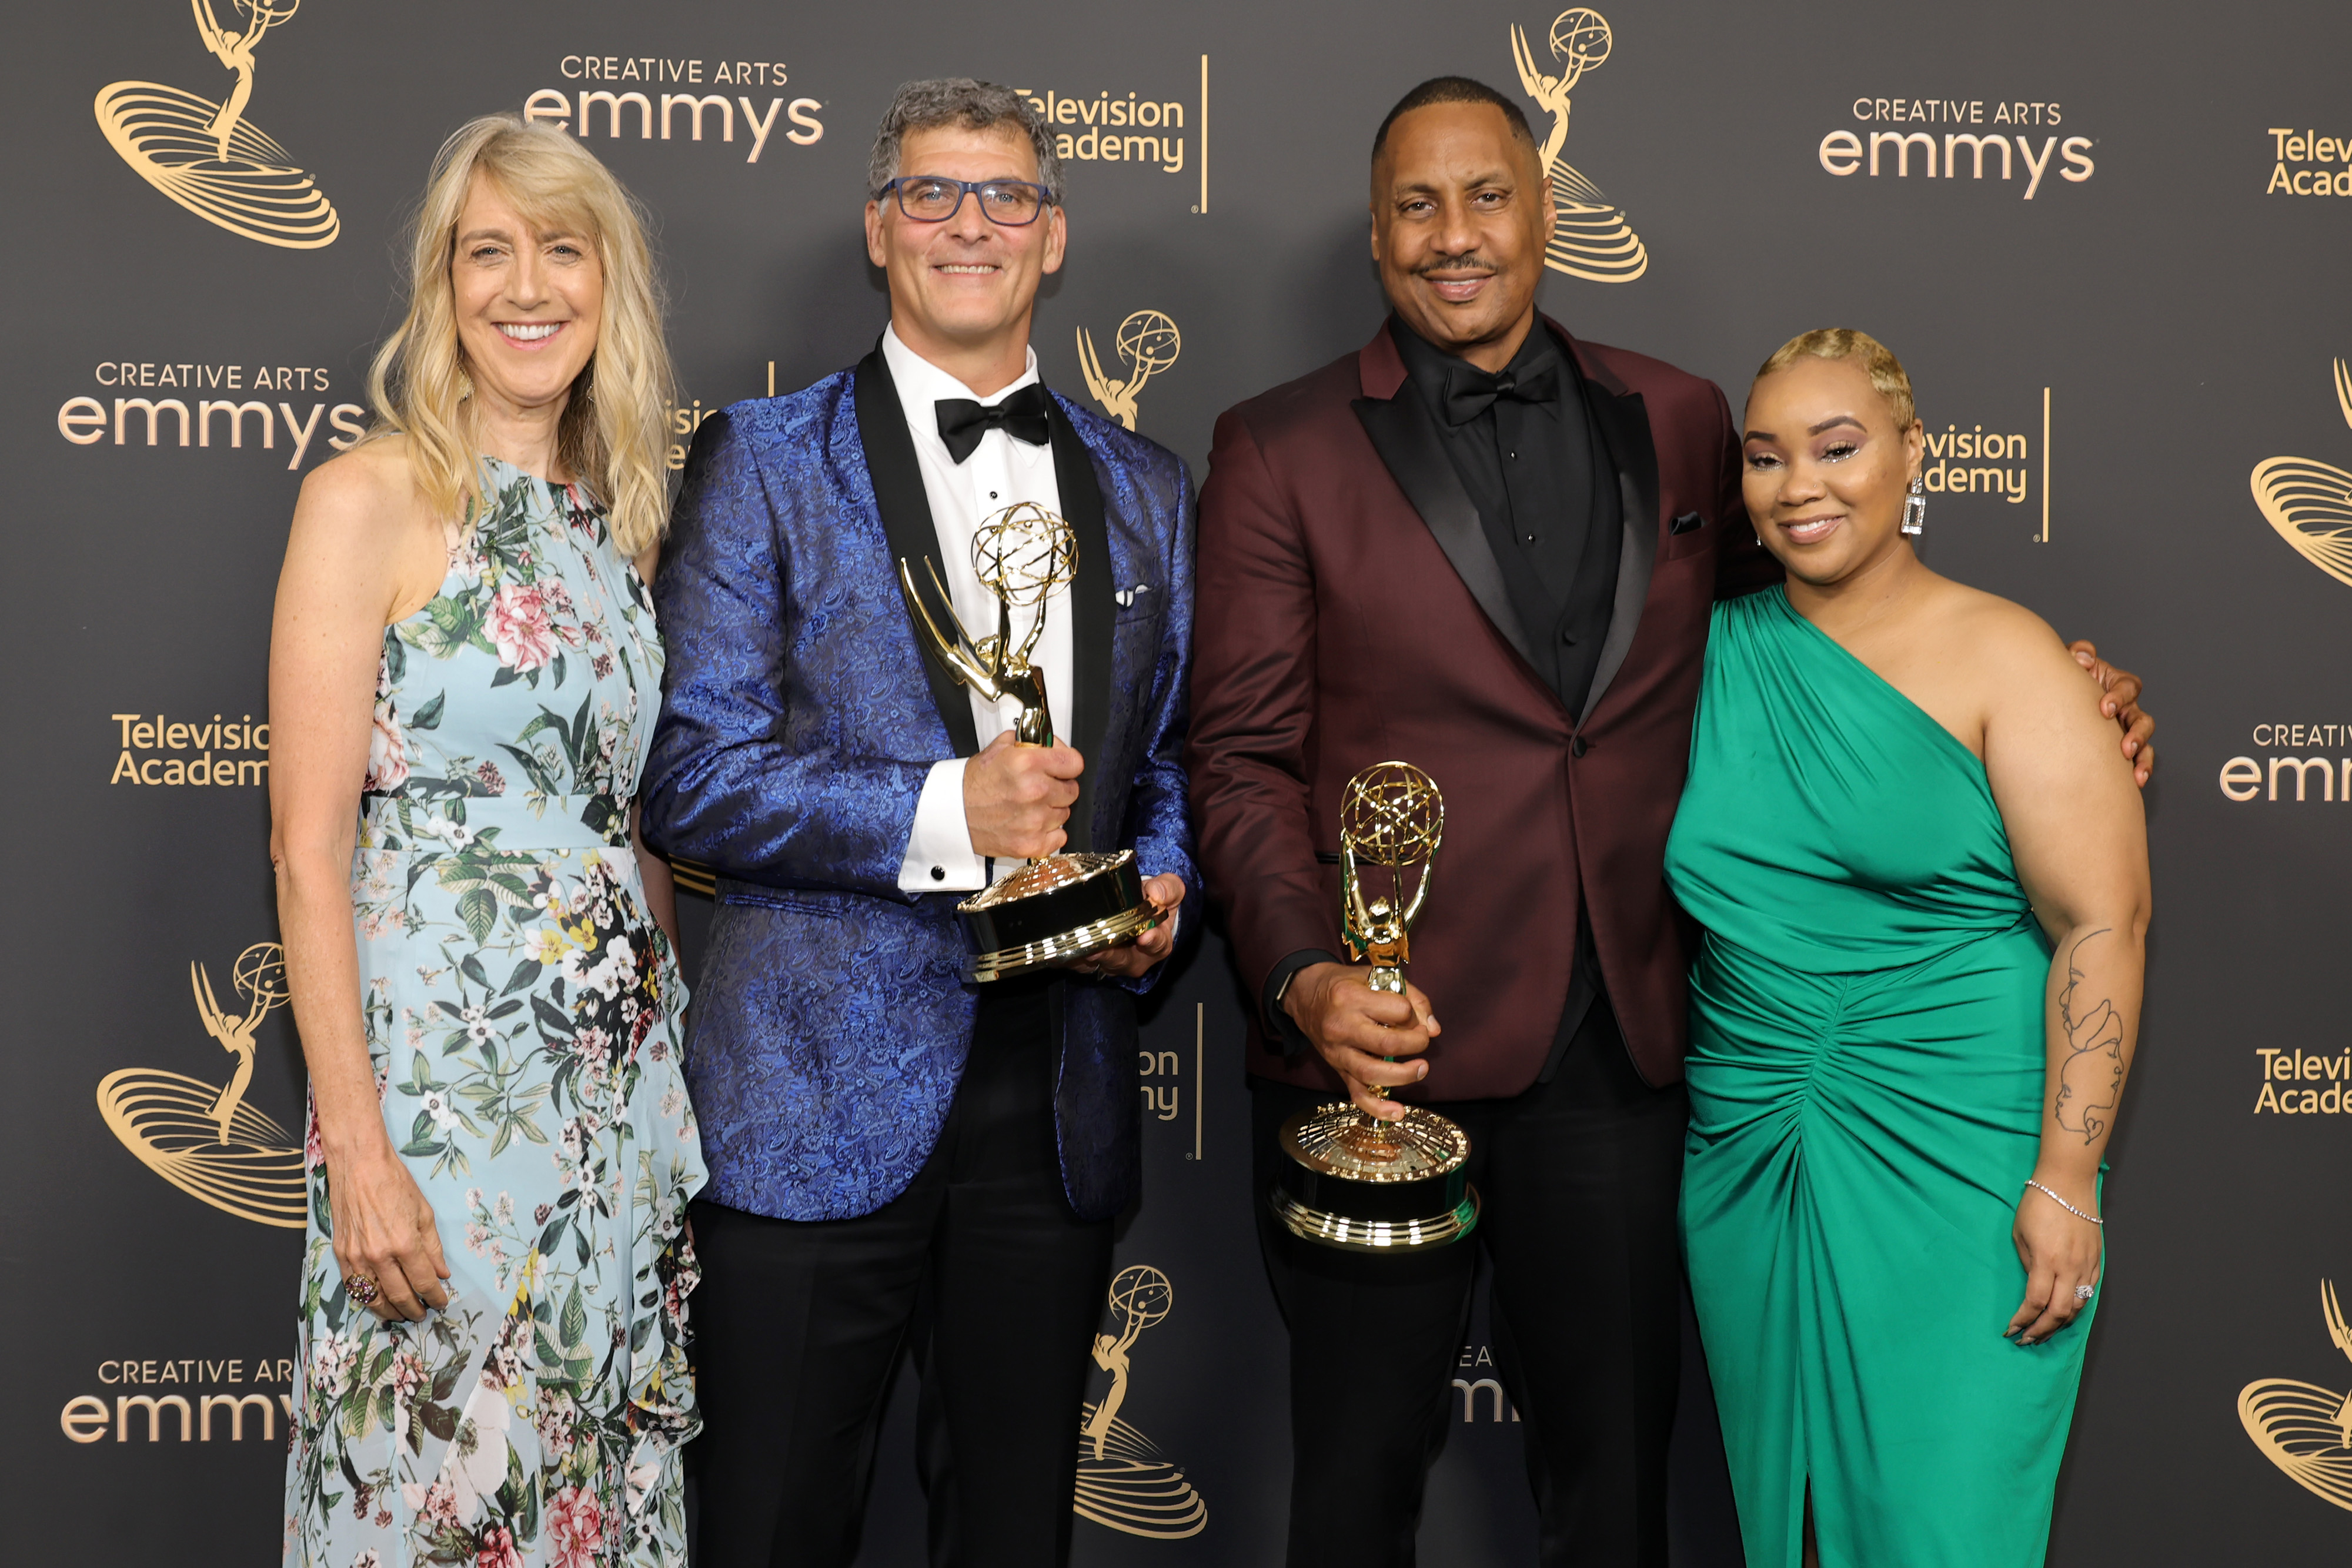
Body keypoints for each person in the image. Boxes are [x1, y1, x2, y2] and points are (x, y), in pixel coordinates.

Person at [1183, 76, 2154, 1567]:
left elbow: (1833, 622)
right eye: (1416, 207)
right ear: (1375, 240)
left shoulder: (1689, 418)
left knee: (1616, 1498)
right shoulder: (1275, 445)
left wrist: (2055, 692)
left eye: (1487, 196)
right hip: (1379, 1058)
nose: (1456, 236)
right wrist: (1310, 977)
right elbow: (1240, 756)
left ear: (1545, 213)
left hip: (1627, 1060)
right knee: (1350, 1489)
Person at [637, 78, 1195, 1568]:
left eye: (1004, 194)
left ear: (1053, 233)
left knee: (1014, 1533)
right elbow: (688, 773)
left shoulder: (1146, 488)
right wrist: (949, 808)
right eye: (933, 194)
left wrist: (1161, 882)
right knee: (766, 1524)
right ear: (879, 229)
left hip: (1056, 1098)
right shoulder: (761, 456)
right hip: (810, 1096)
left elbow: (1167, 765)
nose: (970, 223)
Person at [270, 115, 703, 1567]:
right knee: (431, 1483)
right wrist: (359, 1155)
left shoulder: (622, 527)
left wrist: (663, 1094)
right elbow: (304, 848)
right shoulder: (367, 499)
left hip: (604, 1109)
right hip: (438, 1107)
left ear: (608, 281)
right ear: (444, 286)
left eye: (561, 249)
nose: (528, 287)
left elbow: (627, 828)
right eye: (489, 251)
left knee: (590, 1486)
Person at [1666, 329, 2149, 1568]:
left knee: (1944, 1528)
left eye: (1836, 447)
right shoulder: (1704, 654)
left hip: (1957, 1147)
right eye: (1765, 458)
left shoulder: (2010, 653)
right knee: (1795, 1529)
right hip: (1749, 1142)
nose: (1799, 484)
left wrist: (2065, 1176)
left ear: (1910, 455)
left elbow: (2102, 919)